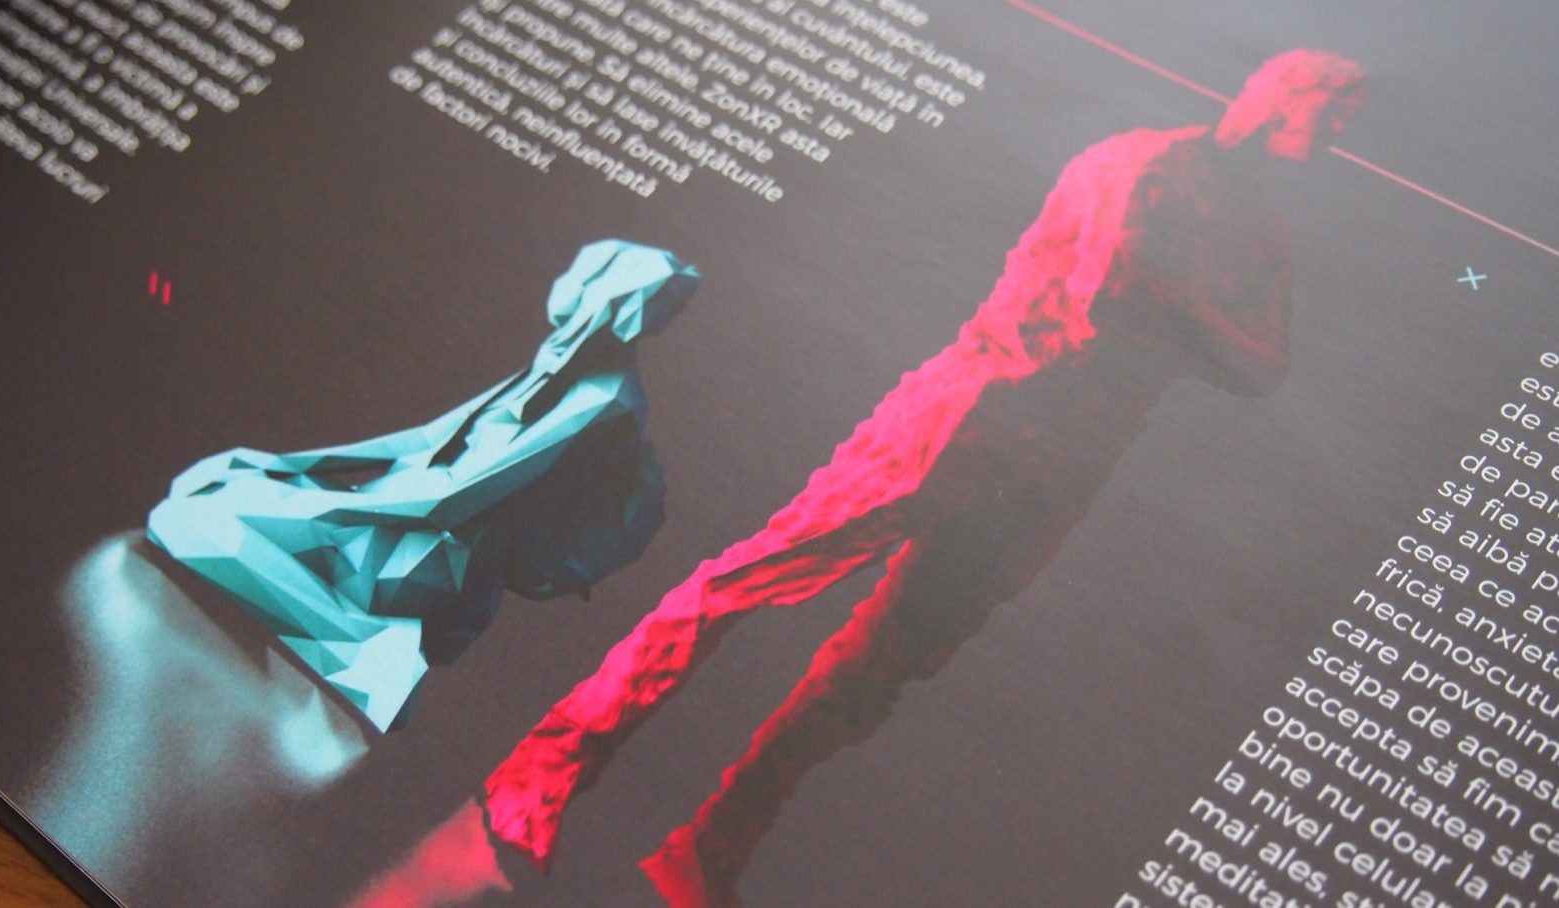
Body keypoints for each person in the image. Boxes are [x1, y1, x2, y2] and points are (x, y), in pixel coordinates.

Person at [477, 49, 1366, 906]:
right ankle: (541, 771)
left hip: (1059, 470)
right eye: (1338, 110)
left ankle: (710, 846)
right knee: (748, 582)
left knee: (885, 666)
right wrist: (1205, 320)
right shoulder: (1143, 162)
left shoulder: (1265, 233)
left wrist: (1180, 304)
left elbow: (1267, 367)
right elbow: (1106, 300)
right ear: (1286, 92)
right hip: (966, 416)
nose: (1340, 134)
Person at [147, 240, 700, 729]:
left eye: (586, 279)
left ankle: (374, 656)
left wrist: (311, 503)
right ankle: (358, 639)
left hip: (425, 567)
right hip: (385, 524)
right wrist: (289, 465)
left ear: (612, 296)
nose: (568, 288)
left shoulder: (605, 402)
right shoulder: (555, 361)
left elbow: (451, 498)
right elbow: (423, 439)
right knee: (212, 485)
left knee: (192, 517)